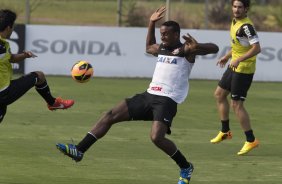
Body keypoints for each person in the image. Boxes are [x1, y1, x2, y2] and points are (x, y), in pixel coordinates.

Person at [56, 6, 218, 184]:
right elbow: (149, 46)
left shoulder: (186, 50)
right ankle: (79, 150)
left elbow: (214, 48)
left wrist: (199, 46)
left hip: (167, 99)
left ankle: (186, 167)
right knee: (109, 115)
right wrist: (151, 22)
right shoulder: (161, 48)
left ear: (176, 35)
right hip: (148, 95)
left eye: (165, 34)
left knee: (156, 137)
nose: (162, 37)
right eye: (161, 33)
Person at [0, 9, 74, 123]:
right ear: (9, 27)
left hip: (4, 92)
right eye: (13, 26)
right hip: (4, 93)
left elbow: (10, 58)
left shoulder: (4, 44)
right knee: (39, 76)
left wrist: (24, 56)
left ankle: (53, 103)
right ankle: (53, 103)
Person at [210, 0, 261, 155]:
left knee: (237, 105)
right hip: (234, 66)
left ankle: (251, 140)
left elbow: (257, 48)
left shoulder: (246, 27)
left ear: (246, 9)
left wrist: (239, 59)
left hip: (244, 69)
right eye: (234, 6)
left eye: (240, 7)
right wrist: (227, 57)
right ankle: (225, 131)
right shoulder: (234, 22)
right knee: (219, 95)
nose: (236, 9)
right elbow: (238, 46)